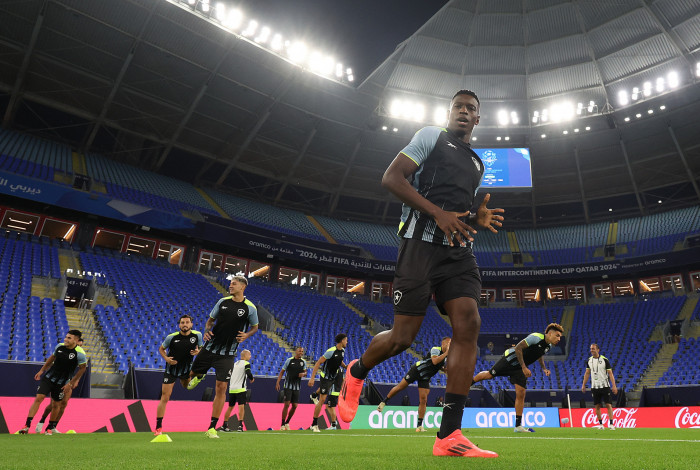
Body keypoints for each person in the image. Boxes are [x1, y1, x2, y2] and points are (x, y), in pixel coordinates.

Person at [338, 90, 503, 458]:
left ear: (478, 118)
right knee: (402, 337)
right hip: (419, 246)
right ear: (450, 112)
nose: (464, 111)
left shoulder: (478, 163)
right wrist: (437, 214)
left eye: (471, 108)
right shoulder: (431, 136)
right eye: (458, 106)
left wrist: (475, 218)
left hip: (457, 252)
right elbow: (392, 179)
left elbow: (459, 209)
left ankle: (448, 435)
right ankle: (356, 372)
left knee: (469, 324)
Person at [186, 275, 259, 439]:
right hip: (209, 348)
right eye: (230, 283)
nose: (230, 286)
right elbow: (210, 321)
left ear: (242, 287)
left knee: (221, 388)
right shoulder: (222, 302)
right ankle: (199, 375)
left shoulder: (250, 308)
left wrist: (247, 335)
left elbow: (255, 327)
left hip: (228, 354)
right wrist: (207, 330)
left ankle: (212, 427)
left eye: (233, 284)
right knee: (188, 378)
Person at [472, 323, 564, 432]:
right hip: (509, 360)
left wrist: (544, 368)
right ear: (549, 333)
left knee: (521, 393)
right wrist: (524, 367)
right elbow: (518, 348)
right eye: (557, 335)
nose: (559, 339)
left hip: (519, 369)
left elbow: (539, 354)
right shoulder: (536, 337)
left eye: (560, 337)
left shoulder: (548, 346)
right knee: (489, 375)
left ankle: (518, 426)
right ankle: (470, 382)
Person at [18, 330, 87, 435]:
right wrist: (41, 370)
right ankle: (27, 425)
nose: (65, 339)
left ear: (76, 340)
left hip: (62, 383)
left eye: (69, 338)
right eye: (66, 337)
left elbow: (83, 368)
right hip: (49, 378)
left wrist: (71, 383)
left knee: (56, 404)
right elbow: (51, 358)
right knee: (39, 398)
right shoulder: (59, 346)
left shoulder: (80, 354)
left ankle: (50, 428)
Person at [377, 337, 450, 432]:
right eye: (449, 343)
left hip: (426, 377)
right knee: (401, 387)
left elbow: (439, 365)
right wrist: (446, 353)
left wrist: (444, 369)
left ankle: (419, 426)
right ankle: (384, 402)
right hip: (417, 369)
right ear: (443, 344)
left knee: (423, 400)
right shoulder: (436, 349)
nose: (450, 346)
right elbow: (434, 361)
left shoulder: (445, 356)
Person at [154, 314, 203, 435]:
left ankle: (197, 378)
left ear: (191, 324)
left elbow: (202, 348)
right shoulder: (171, 337)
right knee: (165, 397)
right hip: (171, 370)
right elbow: (161, 349)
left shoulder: (197, 335)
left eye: (187, 322)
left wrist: (198, 351)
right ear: (179, 324)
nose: (185, 325)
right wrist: (167, 359)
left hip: (186, 370)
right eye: (182, 323)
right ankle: (158, 427)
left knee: (186, 387)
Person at [34, 337, 85, 434]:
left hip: (68, 381)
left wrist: (76, 380)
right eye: (79, 343)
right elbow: (54, 360)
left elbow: (80, 368)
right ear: (75, 341)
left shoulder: (79, 353)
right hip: (57, 380)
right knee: (53, 404)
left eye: (81, 344)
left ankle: (53, 426)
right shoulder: (63, 349)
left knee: (64, 403)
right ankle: (42, 420)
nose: (80, 346)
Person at [308, 333, 347, 432]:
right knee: (322, 400)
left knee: (324, 396)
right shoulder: (331, 351)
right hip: (325, 377)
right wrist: (312, 378)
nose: (347, 342)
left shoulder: (342, 351)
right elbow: (318, 363)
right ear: (341, 341)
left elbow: (340, 361)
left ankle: (314, 395)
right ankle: (314, 424)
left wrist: (346, 366)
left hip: (333, 378)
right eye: (346, 340)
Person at [581, 343, 618, 430]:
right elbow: (587, 373)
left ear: (598, 350)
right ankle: (601, 424)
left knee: (608, 404)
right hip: (594, 387)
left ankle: (611, 424)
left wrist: (614, 386)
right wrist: (583, 385)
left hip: (605, 386)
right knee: (597, 405)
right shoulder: (589, 360)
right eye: (591, 349)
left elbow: (610, 373)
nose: (591, 350)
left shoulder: (605, 360)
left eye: (593, 349)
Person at [218, 349, 255, 432]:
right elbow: (248, 372)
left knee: (230, 407)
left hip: (232, 389)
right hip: (240, 389)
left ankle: (224, 425)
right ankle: (240, 426)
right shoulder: (246, 363)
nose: (250, 356)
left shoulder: (234, 364)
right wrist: (252, 378)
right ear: (245, 356)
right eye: (249, 355)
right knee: (241, 407)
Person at [276, 346, 307, 430]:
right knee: (287, 404)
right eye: (300, 351)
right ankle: (282, 424)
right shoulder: (289, 360)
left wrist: (303, 374)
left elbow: (305, 372)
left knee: (295, 406)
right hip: (288, 386)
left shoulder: (303, 362)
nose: (301, 353)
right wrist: (278, 382)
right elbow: (282, 372)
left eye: (302, 351)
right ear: (296, 351)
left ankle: (287, 422)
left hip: (297, 387)